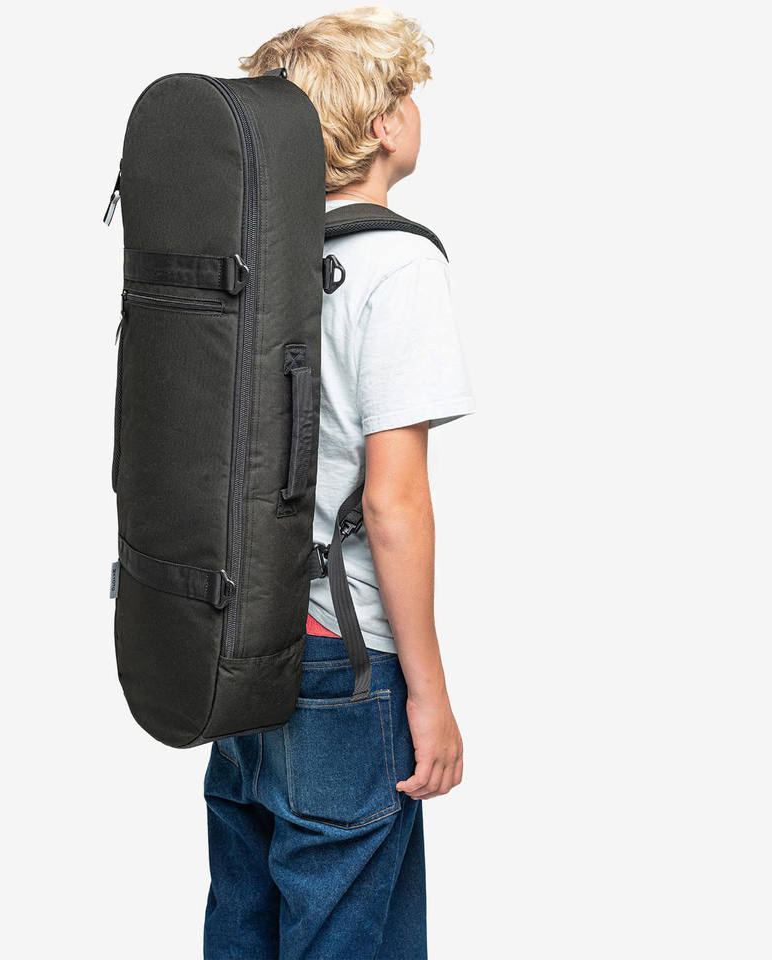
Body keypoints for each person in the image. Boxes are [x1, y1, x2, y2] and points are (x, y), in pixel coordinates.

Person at [203, 8, 476, 957]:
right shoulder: (397, 264)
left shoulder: (254, 261)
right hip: (342, 660)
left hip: (242, 640)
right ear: (383, 124)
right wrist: (428, 694)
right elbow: (394, 504)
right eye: (406, 94)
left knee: (246, 919)